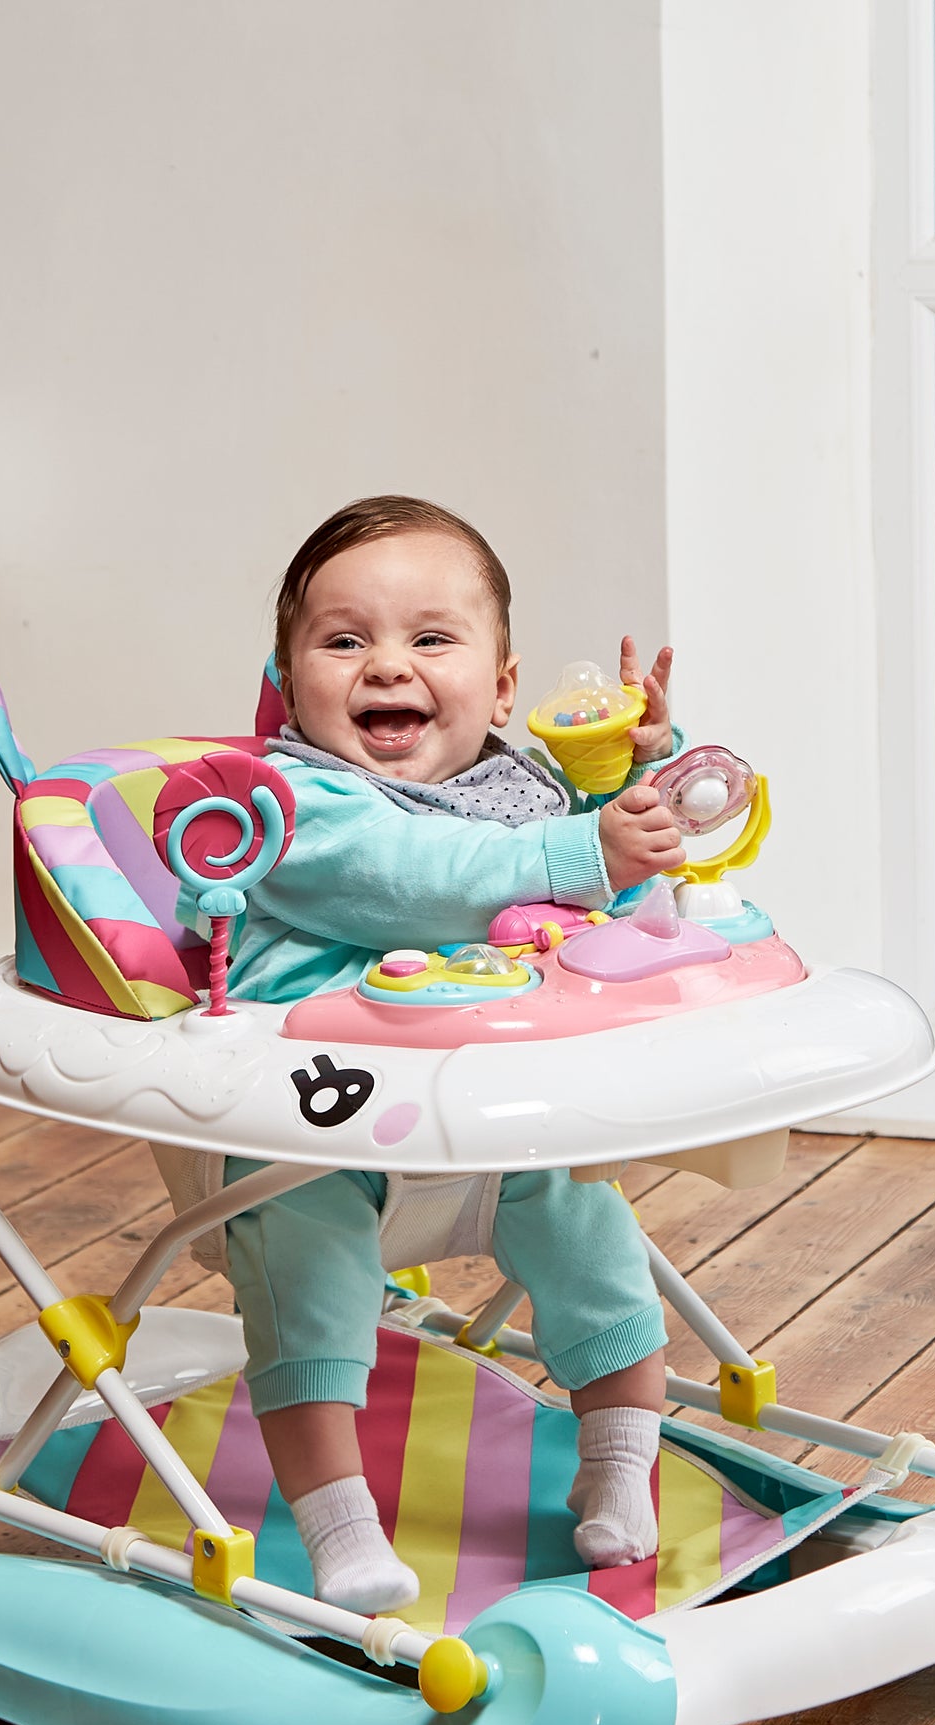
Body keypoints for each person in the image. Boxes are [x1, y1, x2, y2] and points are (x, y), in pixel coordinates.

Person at [200, 494, 683, 1614]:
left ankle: (617, 1462)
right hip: (308, 1125)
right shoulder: (293, 803)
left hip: (495, 1113)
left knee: (592, 1233)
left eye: (428, 638)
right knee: (303, 1267)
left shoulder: (524, 791)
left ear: (502, 686)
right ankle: (338, 1522)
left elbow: (622, 905)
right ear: (287, 676)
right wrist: (577, 845)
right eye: (342, 639)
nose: (385, 664)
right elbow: (415, 874)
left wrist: (622, 787)